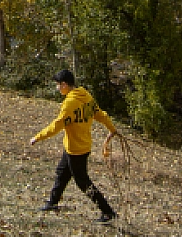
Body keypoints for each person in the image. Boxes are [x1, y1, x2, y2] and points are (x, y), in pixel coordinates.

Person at [29, 70, 119, 222]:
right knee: (62, 173)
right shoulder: (86, 96)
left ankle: (108, 212)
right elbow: (101, 114)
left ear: (64, 84)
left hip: (76, 150)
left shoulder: (70, 103)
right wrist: (112, 129)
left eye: (58, 85)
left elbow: (56, 126)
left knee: (83, 182)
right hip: (77, 146)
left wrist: (37, 137)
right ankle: (52, 203)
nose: (57, 88)